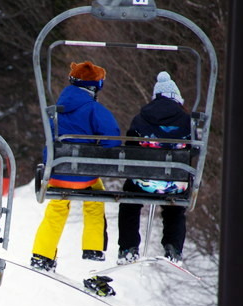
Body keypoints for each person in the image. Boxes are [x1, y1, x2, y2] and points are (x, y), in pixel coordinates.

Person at [31, 61, 120, 272]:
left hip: (58, 172)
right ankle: (93, 248)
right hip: (85, 175)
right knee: (96, 200)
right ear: (94, 86)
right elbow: (112, 139)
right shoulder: (93, 108)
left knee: (57, 208)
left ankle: (42, 254)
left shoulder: (56, 109)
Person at [117, 71, 192, 265]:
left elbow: (131, 147)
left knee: (129, 200)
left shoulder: (141, 117)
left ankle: (128, 247)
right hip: (174, 183)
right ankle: (173, 247)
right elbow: (194, 150)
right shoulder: (187, 121)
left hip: (144, 182)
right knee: (175, 207)